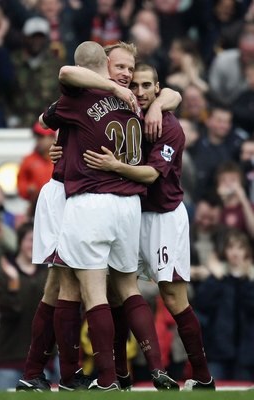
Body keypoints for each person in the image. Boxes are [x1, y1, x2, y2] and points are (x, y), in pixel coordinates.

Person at [17, 40, 182, 392]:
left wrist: (152, 106)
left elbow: (171, 95)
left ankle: (74, 375)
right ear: (103, 65)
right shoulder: (93, 94)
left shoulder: (127, 99)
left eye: (129, 69)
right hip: (76, 193)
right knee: (67, 285)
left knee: (79, 288)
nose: (125, 75)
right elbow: (48, 116)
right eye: (119, 67)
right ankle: (50, 373)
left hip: (90, 198)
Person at [83, 62, 215, 390]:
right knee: (117, 293)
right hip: (131, 214)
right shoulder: (126, 114)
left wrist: (114, 165)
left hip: (164, 216)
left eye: (147, 86)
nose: (140, 92)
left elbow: (152, 175)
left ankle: (202, 376)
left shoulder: (169, 128)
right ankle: (121, 375)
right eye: (136, 85)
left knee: (172, 297)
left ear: (156, 89)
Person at [0, 222, 48, 391]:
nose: (33, 245)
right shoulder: (5, 273)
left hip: (42, 361)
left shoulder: (48, 272)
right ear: (20, 242)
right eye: (30, 240)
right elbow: (10, 312)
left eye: (37, 241)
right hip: (9, 357)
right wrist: (14, 283)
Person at [195, 228, 254, 381]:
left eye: (240, 248)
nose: (235, 253)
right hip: (218, 351)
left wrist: (245, 279)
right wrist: (217, 278)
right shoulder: (217, 276)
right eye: (231, 247)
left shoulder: (250, 279)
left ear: (247, 252)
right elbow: (202, 302)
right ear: (224, 251)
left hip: (247, 354)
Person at [17, 120, 56, 218]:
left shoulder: (61, 158)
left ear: (52, 138)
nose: (38, 140)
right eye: (37, 137)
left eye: (41, 137)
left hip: (58, 207)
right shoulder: (28, 160)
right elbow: (20, 184)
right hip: (36, 208)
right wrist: (27, 189)